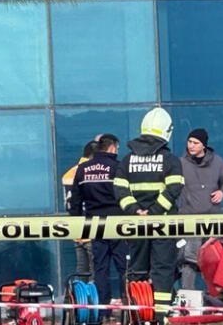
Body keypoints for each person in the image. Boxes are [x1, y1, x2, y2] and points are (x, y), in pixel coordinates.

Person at [113, 108, 184, 323]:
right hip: (163, 223)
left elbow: (119, 190)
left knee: (137, 268)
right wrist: (153, 212)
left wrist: (136, 211)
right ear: (167, 131)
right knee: (164, 269)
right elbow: (173, 189)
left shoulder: (127, 161)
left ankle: (137, 312)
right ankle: (160, 315)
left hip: (137, 224)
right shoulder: (170, 160)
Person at [69, 134, 129, 318]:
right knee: (123, 267)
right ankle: (128, 306)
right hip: (118, 223)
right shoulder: (118, 167)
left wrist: (78, 223)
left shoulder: (82, 169)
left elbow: (75, 200)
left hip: (94, 223)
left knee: (100, 267)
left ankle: (101, 309)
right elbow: (125, 195)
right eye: (117, 149)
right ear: (112, 148)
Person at [177, 128, 223, 290]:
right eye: (189, 142)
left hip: (212, 220)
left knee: (215, 260)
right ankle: (188, 297)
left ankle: (219, 296)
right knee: (188, 260)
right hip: (189, 220)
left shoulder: (218, 162)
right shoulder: (181, 163)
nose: (191, 146)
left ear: (204, 145)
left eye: (195, 143)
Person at [62, 140, 98, 280]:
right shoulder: (89, 172)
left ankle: (78, 299)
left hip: (76, 230)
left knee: (81, 269)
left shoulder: (68, 173)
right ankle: (94, 300)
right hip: (92, 229)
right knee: (95, 272)